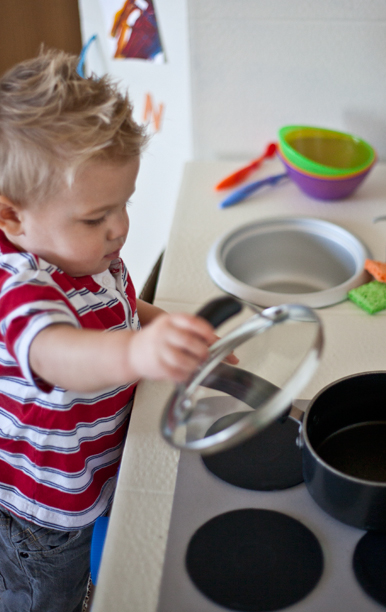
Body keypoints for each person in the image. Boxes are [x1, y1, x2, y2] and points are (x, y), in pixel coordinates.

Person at [0, 50, 231, 612]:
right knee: (45, 598)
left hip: (96, 462)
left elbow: (121, 309)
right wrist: (143, 352)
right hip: (46, 512)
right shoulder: (18, 287)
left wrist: (167, 330)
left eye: (123, 204)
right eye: (95, 216)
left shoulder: (83, 253)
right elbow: (59, 353)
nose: (120, 227)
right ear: (12, 219)